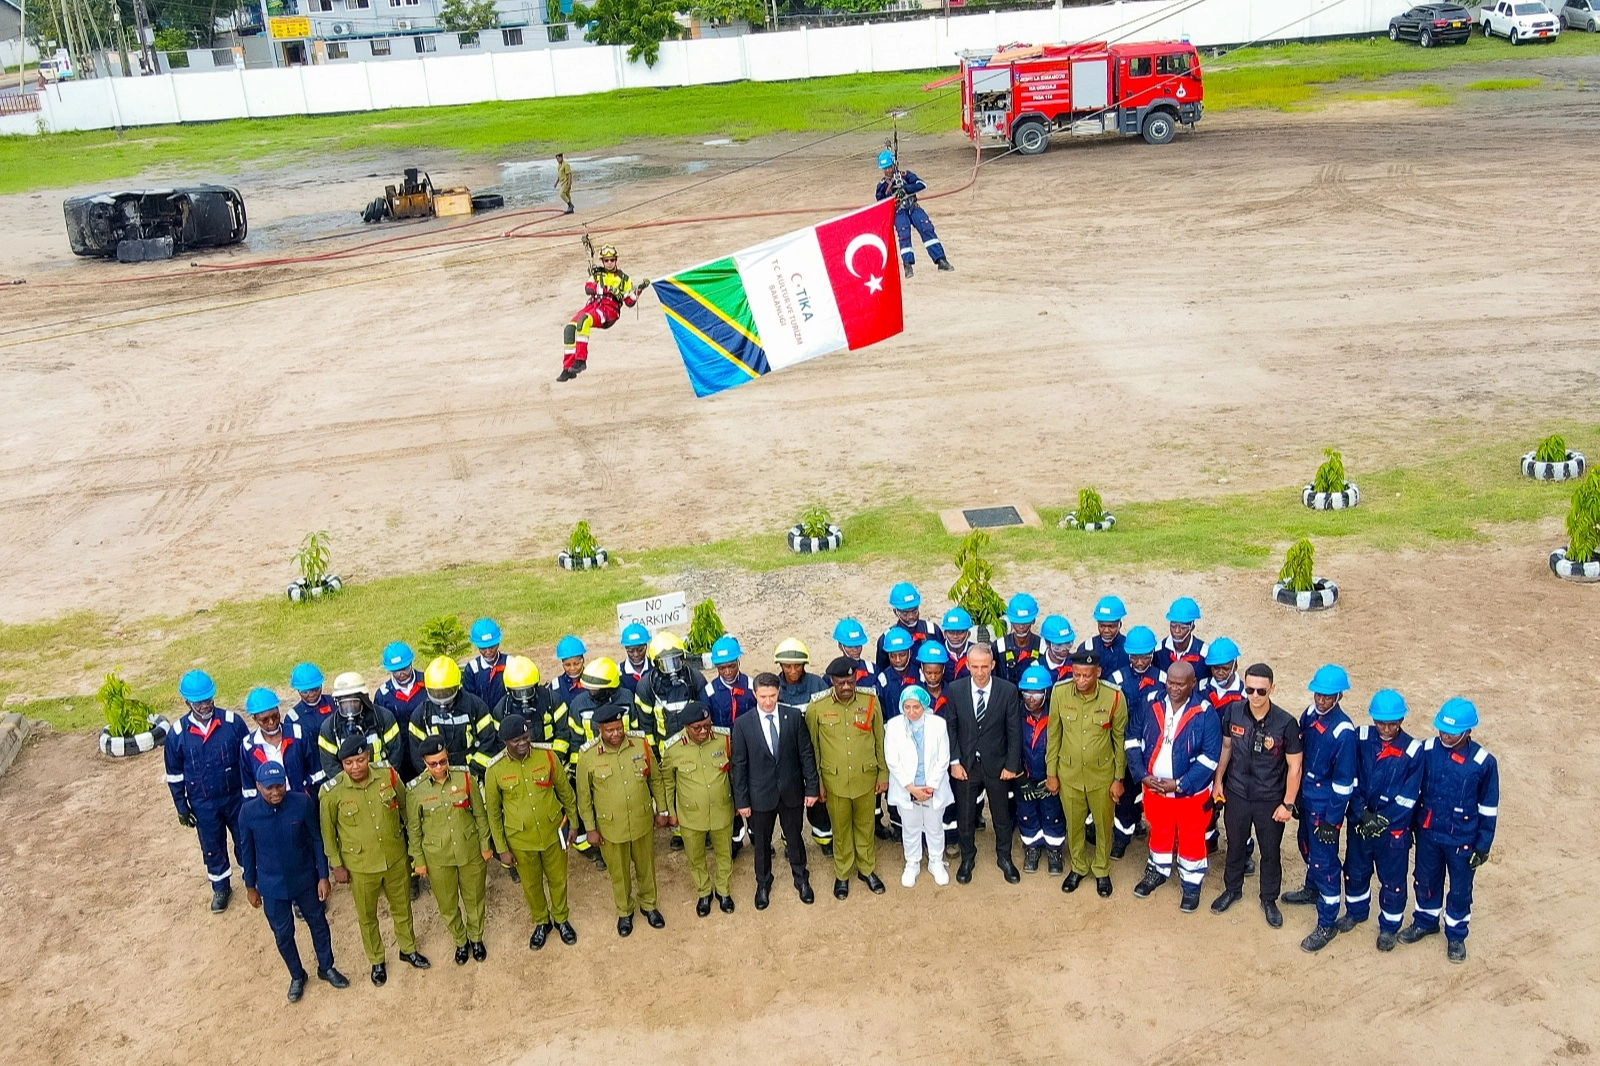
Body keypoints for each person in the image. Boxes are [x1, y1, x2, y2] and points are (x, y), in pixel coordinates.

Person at [319, 736, 430, 985]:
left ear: (368, 756)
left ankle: (408, 949)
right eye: (349, 763)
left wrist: (414, 847)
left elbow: (406, 808)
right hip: (360, 866)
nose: (355, 767)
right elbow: (328, 832)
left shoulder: (387, 775)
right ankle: (377, 960)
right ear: (342, 764)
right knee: (368, 916)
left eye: (360, 760)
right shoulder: (332, 792)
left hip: (395, 858)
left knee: (402, 907)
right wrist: (337, 865)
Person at [237, 762, 348, 1002]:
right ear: (258, 786)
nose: (275, 792)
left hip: (305, 879)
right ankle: (297, 975)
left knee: (318, 923)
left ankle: (326, 967)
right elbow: (247, 852)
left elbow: (316, 839)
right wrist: (250, 887)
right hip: (272, 887)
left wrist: (323, 876)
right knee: (283, 935)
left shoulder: (302, 803)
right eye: (269, 788)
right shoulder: (248, 813)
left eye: (279, 785)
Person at [1398, 698, 1498, 964]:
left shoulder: (1483, 762)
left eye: (1452, 732)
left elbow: (1488, 808)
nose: (1445, 735)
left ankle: (1456, 935)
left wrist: (1483, 845)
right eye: (1442, 729)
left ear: (1468, 731)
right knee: (1425, 879)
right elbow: (1413, 792)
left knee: (1460, 889)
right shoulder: (1426, 749)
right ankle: (1425, 921)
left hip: (1462, 840)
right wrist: (1409, 826)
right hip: (1429, 834)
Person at [1209, 663, 1302, 928]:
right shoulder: (1233, 712)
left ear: (1272, 688)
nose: (1255, 695)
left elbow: (1295, 767)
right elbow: (1226, 748)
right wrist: (1218, 781)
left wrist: (1288, 803)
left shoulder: (1286, 723)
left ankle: (1269, 899)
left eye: (1261, 690)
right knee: (1235, 845)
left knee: (1270, 851)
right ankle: (1232, 890)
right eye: (1250, 689)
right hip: (1237, 793)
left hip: (1269, 799)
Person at [1128, 661, 1220, 912]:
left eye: (1180, 684)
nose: (1174, 688)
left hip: (1190, 795)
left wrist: (1180, 784)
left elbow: (1210, 758)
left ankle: (1191, 883)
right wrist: (1142, 775)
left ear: (1193, 683)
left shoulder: (1205, 712)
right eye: (1170, 682)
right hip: (1154, 790)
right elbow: (1132, 739)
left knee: (1192, 836)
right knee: (1158, 830)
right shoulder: (1150, 702)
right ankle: (1157, 870)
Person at [483, 715, 580, 949]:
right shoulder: (494, 770)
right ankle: (541, 922)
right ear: (505, 743)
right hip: (521, 840)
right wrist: (502, 848)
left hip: (552, 832)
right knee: (531, 884)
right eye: (516, 740)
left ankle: (561, 919)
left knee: (558, 879)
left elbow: (566, 792)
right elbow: (493, 814)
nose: (523, 743)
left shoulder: (547, 756)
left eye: (526, 737)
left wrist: (574, 824)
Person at [1281, 664, 1359, 953]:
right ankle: (1312, 889)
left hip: (1325, 808)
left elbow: (1344, 783)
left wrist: (1332, 821)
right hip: (1307, 799)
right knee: (1306, 847)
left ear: (1339, 697)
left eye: (1328, 696)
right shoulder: (1309, 715)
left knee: (1325, 863)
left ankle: (1327, 922)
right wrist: (1296, 798)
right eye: (1318, 694)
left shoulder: (1343, 732)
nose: (1322, 700)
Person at [575, 702, 668, 936]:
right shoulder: (587, 756)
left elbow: (655, 780)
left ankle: (649, 905)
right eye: (610, 730)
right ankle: (624, 911)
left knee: (646, 867)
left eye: (619, 728)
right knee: (619, 872)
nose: (616, 734)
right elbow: (584, 797)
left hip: (641, 820)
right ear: (599, 730)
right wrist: (590, 829)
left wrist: (662, 810)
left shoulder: (640, 744)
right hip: (611, 827)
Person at [1341, 689, 1423, 951]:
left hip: (1392, 832)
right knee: (1355, 870)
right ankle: (1356, 911)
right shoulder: (1361, 737)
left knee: (1392, 880)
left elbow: (1409, 797)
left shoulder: (1413, 750)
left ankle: (1389, 927)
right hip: (1360, 824)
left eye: (1392, 723)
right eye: (1380, 723)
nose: (1386, 729)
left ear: (1401, 720)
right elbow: (1350, 777)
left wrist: (1382, 820)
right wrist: (1361, 813)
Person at [164, 670, 250, 912]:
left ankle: (252, 879)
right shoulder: (177, 735)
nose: (205, 706)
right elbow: (174, 775)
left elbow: (249, 759)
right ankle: (221, 887)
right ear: (187, 703)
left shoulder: (232, 723)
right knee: (212, 847)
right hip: (203, 804)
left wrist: (251, 794)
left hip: (236, 798)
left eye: (208, 699)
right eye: (198, 702)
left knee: (245, 839)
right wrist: (182, 807)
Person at [735, 672, 820, 908]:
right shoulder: (743, 724)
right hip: (760, 796)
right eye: (763, 696)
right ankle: (763, 884)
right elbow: (739, 765)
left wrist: (812, 788)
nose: (768, 701)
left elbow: (806, 754)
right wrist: (742, 801)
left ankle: (801, 879)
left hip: (791, 792)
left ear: (778, 692)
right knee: (761, 844)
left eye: (772, 695)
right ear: (755, 694)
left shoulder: (793, 717)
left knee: (794, 838)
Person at [1046, 649, 1127, 897]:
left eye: (1086, 676)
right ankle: (1078, 867)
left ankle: (1101, 869)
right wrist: (1051, 773)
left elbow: (1119, 740)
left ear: (1098, 672)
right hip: (1069, 774)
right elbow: (1054, 735)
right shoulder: (1059, 693)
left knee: (1103, 826)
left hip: (1101, 776)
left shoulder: (1114, 697)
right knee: (1074, 825)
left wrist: (1118, 778)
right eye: (1076, 675)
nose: (1080, 680)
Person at [405, 735, 492, 965]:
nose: (439, 767)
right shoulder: (416, 791)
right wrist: (418, 861)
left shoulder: (465, 778)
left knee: (475, 898)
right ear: (425, 763)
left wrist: (485, 845)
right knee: (448, 904)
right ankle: (461, 941)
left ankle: (476, 938)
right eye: (433, 764)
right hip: (438, 857)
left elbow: (480, 815)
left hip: (469, 850)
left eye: (443, 761)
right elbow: (414, 830)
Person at [808, 657, 889, 898]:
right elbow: (814, 748)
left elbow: (879, 740)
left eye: (851, 682)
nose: (846, 687)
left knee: (866, 826)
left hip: (866, 777)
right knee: (841, 829)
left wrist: (883, 773)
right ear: (832, 680)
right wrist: (818, 783)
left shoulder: (870, 701)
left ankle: (867, 869)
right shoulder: (817, 707)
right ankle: (842, 873)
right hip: (835, 782)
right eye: (840, 682)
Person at [945, 644, 1023, 885]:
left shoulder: (1007, 691)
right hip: (966, 765)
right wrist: (954, 761)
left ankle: (1004, 857)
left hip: (997, 765)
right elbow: (951, 727)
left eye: (984, 667)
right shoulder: (955, 689)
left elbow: (1014, 731)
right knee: (965, 815)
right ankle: (967, 858)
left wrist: (1011, 765)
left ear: (993, 665)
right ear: (968, 665)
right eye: (975, 667)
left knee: (1001, 815)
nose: (980, 672)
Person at [561, 657, 637, 870]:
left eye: (595, 689)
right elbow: (575, 739)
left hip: (623, 758)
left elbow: (635, 729)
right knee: (596, 807)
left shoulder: (626, 699)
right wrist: (578, 770)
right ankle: (599, 850)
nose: (591, 692)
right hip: (594, 764)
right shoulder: (579, 704)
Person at [663, 701, 736, 916]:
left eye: (707, 725)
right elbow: (668, 783)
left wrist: (739, 802)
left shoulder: (723, 739)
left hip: (722, 809)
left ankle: (723, 891)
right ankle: (704, 892)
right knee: (695, 857)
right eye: (697, 728)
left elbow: (734, 772)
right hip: (691, 815)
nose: (704, 731)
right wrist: (671, 813)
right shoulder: (673, 748)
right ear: (686, 727)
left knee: (724, 853)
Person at [884, 685, 953, 888]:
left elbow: (943, 758)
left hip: (932, 788)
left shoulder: (938, 725)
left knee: (934, 827)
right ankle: (912, 862)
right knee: (910, 827)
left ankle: (936, 861)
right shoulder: (893, 726)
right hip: (907, 788)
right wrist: (911, 788)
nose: (912, 712)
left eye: (916, 707)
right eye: (907, 707)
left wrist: (930, 786)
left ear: (924, 705)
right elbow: (892, 760)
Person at [1105, 624, 1164, 859]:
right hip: (1126, 748)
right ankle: (1121, 838)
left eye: (1145, 657)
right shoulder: (1116, 679)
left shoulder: (1163, 679)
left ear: (1152, 653)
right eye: (1135, 657)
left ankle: (1157, 844)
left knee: (1155, 797)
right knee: (1126, 797)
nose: (1140, 662)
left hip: (1155, 749)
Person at [774, 639, 833, 859]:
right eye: (787, 666)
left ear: (804, 665)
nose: (792, 671)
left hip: (814, 751)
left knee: (818, 800)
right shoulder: (774, 689)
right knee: (790, 804)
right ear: (780, 665)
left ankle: (824, 838)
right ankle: (790, 841)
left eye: (797, 666)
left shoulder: (817, 685)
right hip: (786, 755)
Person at [558, 244, 649, 383]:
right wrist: (607, 289)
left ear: (616, 260)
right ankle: (568, 368)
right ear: (603, 261)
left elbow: (629, 302)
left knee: (584, 321)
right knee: (569, 329)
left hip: (609, 310)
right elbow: (588, 288)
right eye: (606, 260)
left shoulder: (625, 279)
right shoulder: (597, 275)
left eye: (612, 260)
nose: (609, 263)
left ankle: (581, 360)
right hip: (592, 305)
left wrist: (638, 290)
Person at [1013, 665, 1064, 875]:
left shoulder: (1056, 715)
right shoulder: (1015, 714)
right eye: (1026, 693)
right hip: (1025, 776)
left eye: (1036, 694)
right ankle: (1032, 848)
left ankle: (1054, 850)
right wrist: (1020, 778)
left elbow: (1064, 748)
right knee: (1027, 814)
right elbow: (1010, 746)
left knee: (1053, 813)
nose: (1031, 699)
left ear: (1046, 692)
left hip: (1050, 779)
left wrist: (1054, 776)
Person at [874, 150, 952, 277]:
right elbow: (880, 203)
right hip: (899, 212)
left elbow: (922, 184)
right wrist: (893, 196)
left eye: (889, 167)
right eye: (885, 169)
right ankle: (908, 265)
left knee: (927, 229)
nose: (887, 171)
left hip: (913, 207)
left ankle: (940, 260)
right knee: (904, 235)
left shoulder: (906, 176)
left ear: (894, 164)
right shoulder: (882, 186)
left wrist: (906, 189)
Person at [316, 671, 402, 784]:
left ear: (363, 699)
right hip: (349, 787)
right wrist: (349, 785)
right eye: (344, 704)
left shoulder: (382, 717)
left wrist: (384, 778)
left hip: (382, 781)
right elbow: (330, 764)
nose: (349, 708)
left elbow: (396, 752)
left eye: (354, 702)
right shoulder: (329, 728)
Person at [408, 656, 489, 775]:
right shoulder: (421, 715)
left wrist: (472, 772)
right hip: (438, 779)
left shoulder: (476, 707)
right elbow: (417, 754)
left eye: (446, 692)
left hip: (472, 774)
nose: (441, 698)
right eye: (436, 693)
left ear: (457, 686)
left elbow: (488, 742)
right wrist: (437, 776)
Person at [241, 687, 323, 799]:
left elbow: (315, 770)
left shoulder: (297, 733)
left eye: (275, 716)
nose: (271, 722)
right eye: (264, 720)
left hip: (299, 799)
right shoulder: (248, 746)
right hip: (268, 804)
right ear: (254, 719)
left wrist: (308, 794)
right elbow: (248, 787)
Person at [877, 582, 940, 668]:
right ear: (895, 612)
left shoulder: (932, 631)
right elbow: (883, 671)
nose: (911, 616)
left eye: (914, 611)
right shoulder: (886, 639)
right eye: (905, 613)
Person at [373, 642, 428, 741]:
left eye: (405, 669)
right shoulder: (383, 696)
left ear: (411, 663)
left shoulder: (427, 683)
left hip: (427, 744)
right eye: (396, 671)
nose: (401, 674)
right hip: (399, 746)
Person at [991, 593, 1041, 683]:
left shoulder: (1042, 647)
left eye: (1025, 622)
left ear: (1033, 621)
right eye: (1017, 622)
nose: (1021, 627)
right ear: (1010, 620)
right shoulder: (998, 647)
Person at [462, 618, 508, 712]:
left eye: (492, 647)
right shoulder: (472, 669)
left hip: (506, 716)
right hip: (482, 717)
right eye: (483, 648)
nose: (488, 652)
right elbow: (469, 700)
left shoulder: (510, 663)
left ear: (498, 643)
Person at [1080, 596, 1130, 680]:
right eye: (1102, 626)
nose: (1106, 630)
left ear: (1120, 625)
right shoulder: (1086, 648)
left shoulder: (1129, 648)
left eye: (1111, 626)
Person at [1156, 597, 1208, 676]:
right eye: (1173, 626)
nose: (1177, 631)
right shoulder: (1158, 651)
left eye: (1183, 627)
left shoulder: (1204, 654)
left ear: (1192, 627)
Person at [831, 617, 876, 688]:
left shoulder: (872, 670)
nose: (855, 650)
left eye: (858, 645)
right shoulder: (834, 672)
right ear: (840, 646)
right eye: (850, 646)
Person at [287, 663, 334, 729]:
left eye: (315, 689)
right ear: (298, 691)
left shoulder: (334, 703)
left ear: (321, 685)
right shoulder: (293, 717)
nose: (312, 694)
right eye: (305, 692)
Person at [938, 608, 976, 681]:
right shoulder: (938, 652)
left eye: (960, 632)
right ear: (945, 634)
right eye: (951, 632)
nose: (955, 636)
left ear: (968, 634)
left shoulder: (976, 652)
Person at [1038, 615, 1077, 686]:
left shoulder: (1077, 664)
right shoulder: (1037, 667)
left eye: (1068, 644)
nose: (1064, 649)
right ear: (1047, 643)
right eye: (1058, 645)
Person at [554, 635, 587, 707]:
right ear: (562, 664)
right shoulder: (556, 687)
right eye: (568, 665)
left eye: (576, 664)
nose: (572, 668)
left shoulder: (594, 682)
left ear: (583, 660)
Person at [618, 623, 652, 693]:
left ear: (646, 647)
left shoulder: (654, 667)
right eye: (631, 651)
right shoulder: (619, 673)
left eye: (640, 650)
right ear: (626, 649)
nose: (636, 654)